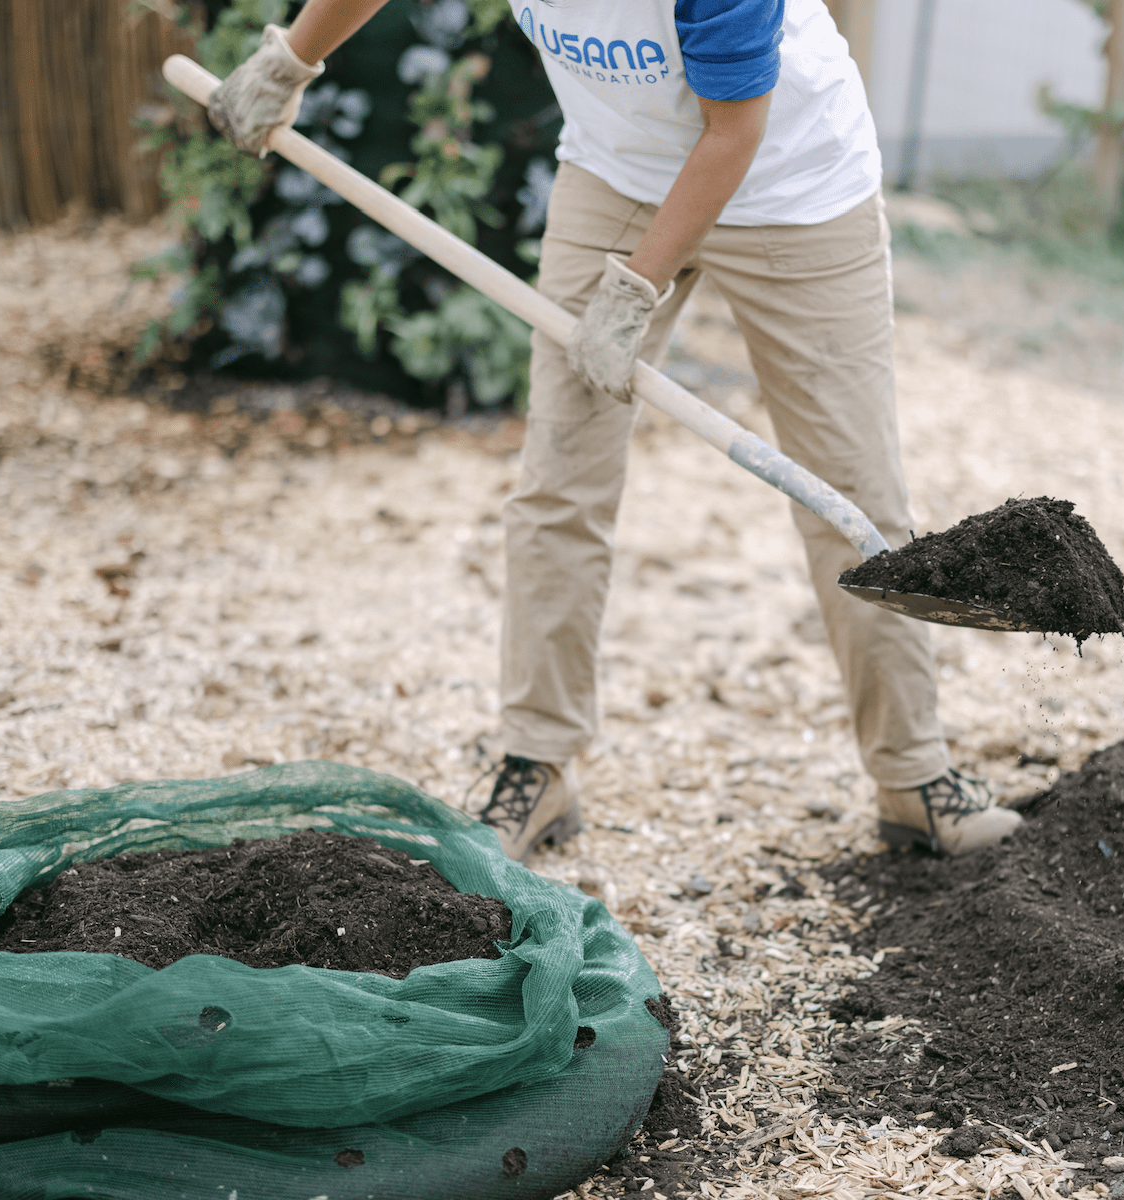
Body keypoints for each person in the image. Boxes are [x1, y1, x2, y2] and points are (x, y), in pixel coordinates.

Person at [208, 0, 1024, 863]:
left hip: (792, 191)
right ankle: (539, 760)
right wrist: (289, 63)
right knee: (559, 481)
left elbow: (733, 133)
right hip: (618, 181)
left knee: (849, 495)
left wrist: (634, 292)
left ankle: (912, 774)